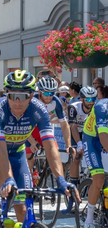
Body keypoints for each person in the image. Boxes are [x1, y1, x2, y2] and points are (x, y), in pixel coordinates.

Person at [0, 70, 77, 227]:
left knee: (23, 210)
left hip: (18, 153)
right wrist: (8, 178)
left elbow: (50, 145)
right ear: (6, 94)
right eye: (13, 96)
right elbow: (0, 148)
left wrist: (60, 179)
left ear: (32, 95)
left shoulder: (39, 110)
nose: (17, 102)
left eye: (23, 96)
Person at [63, 86, 97, 214]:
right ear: (82, 99)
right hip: (75, 133)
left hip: (89, 133)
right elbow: (72, 126)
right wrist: (79, 144)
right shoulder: (74, 107)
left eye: (93, 98)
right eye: (88, 99)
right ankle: (73, 186)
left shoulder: (96, 108)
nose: (91, 101)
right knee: (77, 156)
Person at [82, 94, 108, 228]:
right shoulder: (102, 107)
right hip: (92, 140)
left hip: (104, 137)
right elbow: (104, 138)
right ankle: (89, 219)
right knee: (99, 179)